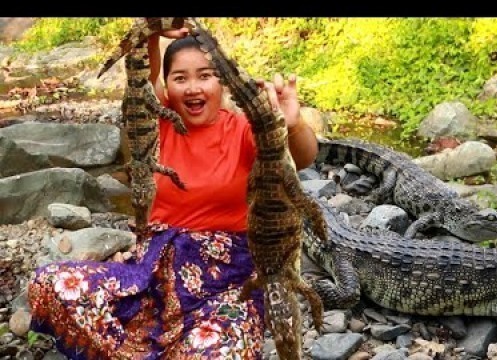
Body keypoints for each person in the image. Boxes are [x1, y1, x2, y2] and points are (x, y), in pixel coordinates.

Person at [28, 25, 319, 360]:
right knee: (50, 284)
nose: (193, 88)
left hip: (228, 286)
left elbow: (301, 157)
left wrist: (292, 124)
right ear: (166, 87)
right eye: (180, 78)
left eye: (205, 76)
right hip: (150, 277)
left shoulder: (242, 129)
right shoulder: (157, 124)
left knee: (213, 354)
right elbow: (142, 80)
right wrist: (152, 31)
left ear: (221, 83)